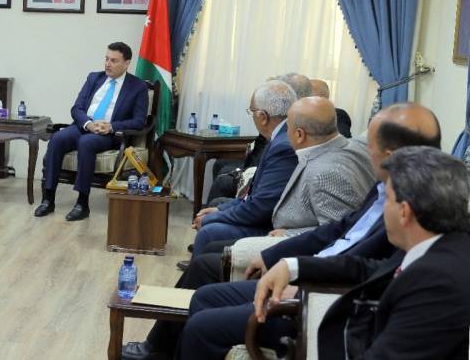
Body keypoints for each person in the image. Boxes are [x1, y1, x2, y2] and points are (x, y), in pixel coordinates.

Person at [121, 103, 441, 360]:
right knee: (204, 296)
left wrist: (306, 281)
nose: (365, 152)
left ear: (389, 156)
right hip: (308, 273)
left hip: (322, 301)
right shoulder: (385, 186)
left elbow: (374, 273)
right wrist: (282, 258)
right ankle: (162, 351)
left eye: (369, 146)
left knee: (203, 323)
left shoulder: (411, 212)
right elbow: (340, 228)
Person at [251, 146, 470, 359]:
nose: (382, 209)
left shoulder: (437, 283)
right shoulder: (442, 247)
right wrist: (293, 266)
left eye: (387, 200)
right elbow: (373, 269)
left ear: (404, 212)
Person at [34, 42, 148, 221]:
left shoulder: (137, 87)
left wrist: (111, 126)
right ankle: (48, 199)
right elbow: (76, 108)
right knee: (57, 138)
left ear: (126, 63)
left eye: (114, 61)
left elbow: (139, 121)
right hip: (84, 126)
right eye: (106, 59)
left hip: (108, 134)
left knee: (86, 143)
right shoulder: (94, 78)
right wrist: (88, 124)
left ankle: (82, 203)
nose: (107, 64)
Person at [190, 80, 298, 256]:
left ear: (262, 116)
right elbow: (254, 195)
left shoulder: (283, 146)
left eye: (251, 111)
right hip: (265, 215)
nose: (252, 116)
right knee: (213, 216)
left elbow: (261, 207)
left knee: (209, 231)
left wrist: (215, 217)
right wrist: (220, 210)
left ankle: (199, 273)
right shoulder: (281, 136)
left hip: (274, 228)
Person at [266, 97, 375, 237]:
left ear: (299, 134)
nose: (286, 133)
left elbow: (341, 232)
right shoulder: (360, 145)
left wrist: (288, 234)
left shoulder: (324, 174)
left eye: (288, 127)